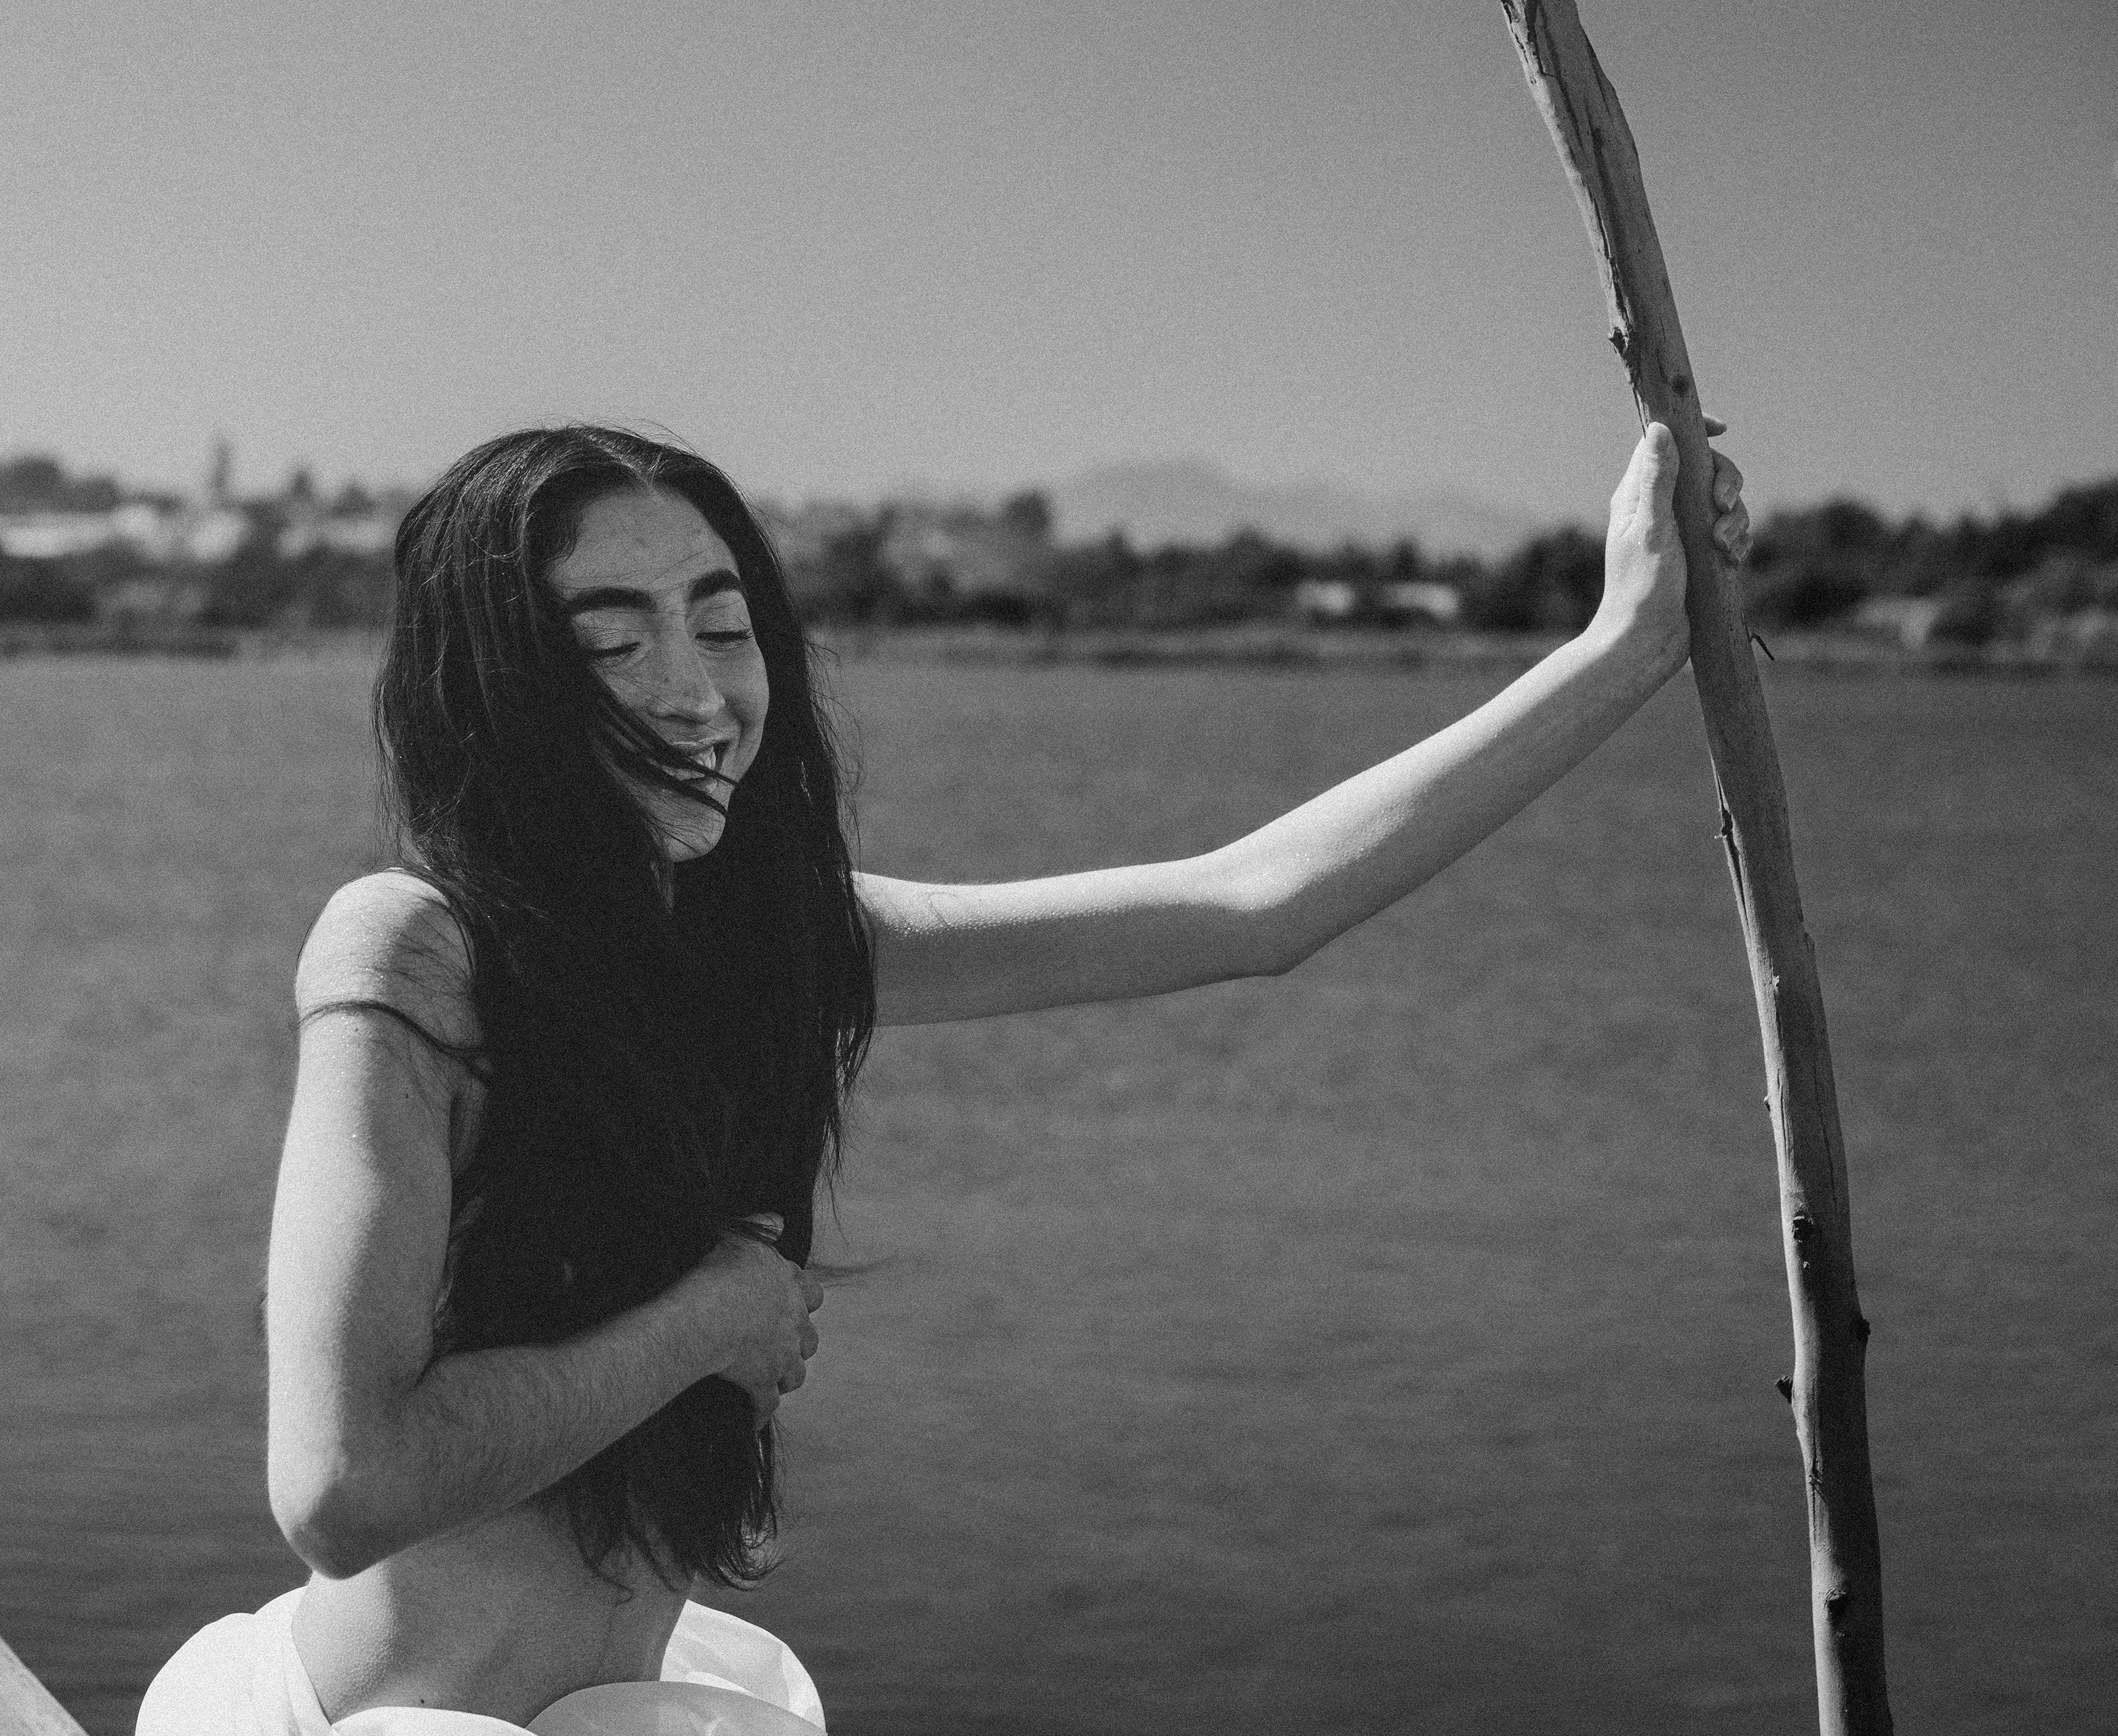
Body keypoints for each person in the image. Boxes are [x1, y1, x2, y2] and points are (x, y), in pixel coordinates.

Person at [140, 418, 1750, 1735]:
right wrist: (711, 1317)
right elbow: (344, 1484)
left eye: (724, 622)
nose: (697, 688)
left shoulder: (773, 943)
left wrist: (1629, 644)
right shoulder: (415, 947)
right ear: (497, 692)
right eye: (611, 641)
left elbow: (1257, 903)